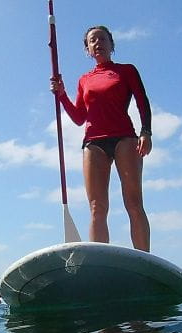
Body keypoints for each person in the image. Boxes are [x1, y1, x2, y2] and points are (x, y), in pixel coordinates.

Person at [50, 25, 153, 251]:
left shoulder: (126, 70)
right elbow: (79, 117)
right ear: (87, 49)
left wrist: (146, 131)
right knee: (97, 207)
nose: (98, 43)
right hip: (93, 142)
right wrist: (62, 95)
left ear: (111, 44)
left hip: (125, 138)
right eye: (92, 40)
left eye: (102, 39)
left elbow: (142, 101)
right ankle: (100, 263)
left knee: (134, 203)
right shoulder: (84, 80)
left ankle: (144, 259)